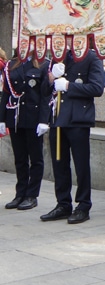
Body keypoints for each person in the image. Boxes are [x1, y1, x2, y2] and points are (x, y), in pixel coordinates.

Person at [41, 48, 105, 224]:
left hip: (78, 118)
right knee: (59, 164)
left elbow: (97, 88)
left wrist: (69, 86)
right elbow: (44, 90)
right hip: (58, 118)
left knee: (81, 165)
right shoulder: (58, 56)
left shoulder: (91, 57)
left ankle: (83, 205)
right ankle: (63, 204)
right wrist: (51, 78)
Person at [1, 54, 51, 210]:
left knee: (35, 158)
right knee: (20, 158)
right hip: (16, 116)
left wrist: (44, 119)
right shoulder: (11, 64)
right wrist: (2, 118)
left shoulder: (44, 64)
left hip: (33, 117)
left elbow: (45, 95)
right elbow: (6, 93)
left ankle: (31, 195)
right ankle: (20, 193)